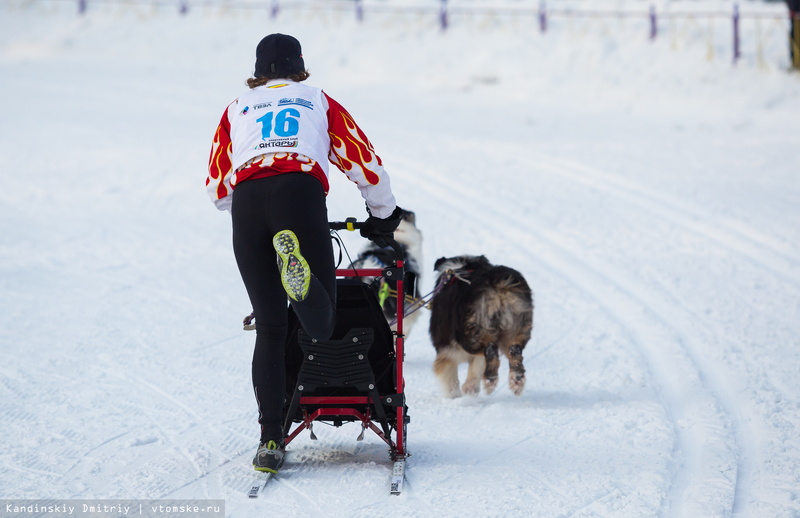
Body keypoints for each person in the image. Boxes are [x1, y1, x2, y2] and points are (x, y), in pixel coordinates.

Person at [206, 33, 403, 474]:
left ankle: (270, 438)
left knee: (271, 329)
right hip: (300, 193)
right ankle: (300, 273)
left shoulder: (236, 108)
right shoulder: (317, 100)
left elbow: (219, 191)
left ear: (258, 72)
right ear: (299, 66)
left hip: (251, 201)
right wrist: (382, 214)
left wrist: (252, 200)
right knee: (320, 319)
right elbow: (363, 161)